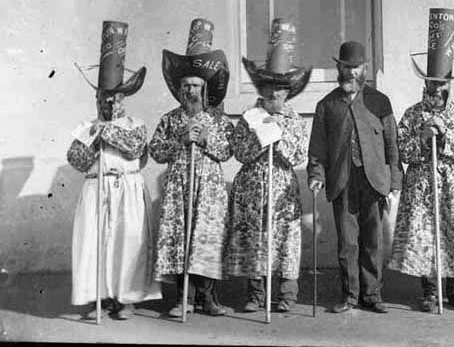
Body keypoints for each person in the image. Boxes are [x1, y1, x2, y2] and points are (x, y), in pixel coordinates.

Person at [387, 8, 454, 312]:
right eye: (432, 84)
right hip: (423, 186)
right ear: (425, 85)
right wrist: (422, 138)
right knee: (426, 235)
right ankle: (430, 291)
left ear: (449, 85)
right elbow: (402, 150)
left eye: (442, 84)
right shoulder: (412, 114)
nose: (437, 89)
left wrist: (444, 138)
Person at [68, 20, 161, 320]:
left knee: (127, 242)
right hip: (97, 188)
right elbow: (77, 158)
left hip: (127, 190)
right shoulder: (88, 127)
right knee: (95, 244)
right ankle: (99, 298)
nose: (108, 105)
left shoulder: (135, 125)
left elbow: (135, 148)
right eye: (102, 99)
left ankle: (126, 300)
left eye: (114, 99)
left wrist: (107, 132)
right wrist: (96, 133)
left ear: (124, 99)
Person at [307, 41, 403, 314]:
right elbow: (317, 149)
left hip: (374, 181)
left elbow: (392, 144)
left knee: (373, 241)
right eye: (346, 67)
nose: (350, 72)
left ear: (365, 69)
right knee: (348, 242)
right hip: (343, 181)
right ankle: (350, 295)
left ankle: (372, 294)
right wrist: (316, 175)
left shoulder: (379, 102)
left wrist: (395, 181)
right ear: (339, 67)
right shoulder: (326, 105)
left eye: (356, 67)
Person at [225, 18, 311, 313]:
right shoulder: (250, 117)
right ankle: (256, 295)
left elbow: (298, 155)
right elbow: (238, 151)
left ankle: (286, 295)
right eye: (269, 90)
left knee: (286, 240)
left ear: (288, 92)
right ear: (261, 89)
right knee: (256, 240)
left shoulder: (295, 121)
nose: (274, 95)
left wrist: (279, 136)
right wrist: (261, 135)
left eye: (280, 91)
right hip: (253, 189)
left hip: (283, 191)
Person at [149, 18, 233, 317]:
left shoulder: (219, 121)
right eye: (186, 85)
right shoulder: (170, 119)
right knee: (181, 238)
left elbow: (227, 152)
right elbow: (156, 151)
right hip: (179, 188)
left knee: (206, 239)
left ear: (205, 87)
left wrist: (208, 140)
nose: (191, 90)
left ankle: (208, 299)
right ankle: (183, 298)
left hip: (209, 189)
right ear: (179, 88)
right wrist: (180, 141)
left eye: (196, 85)